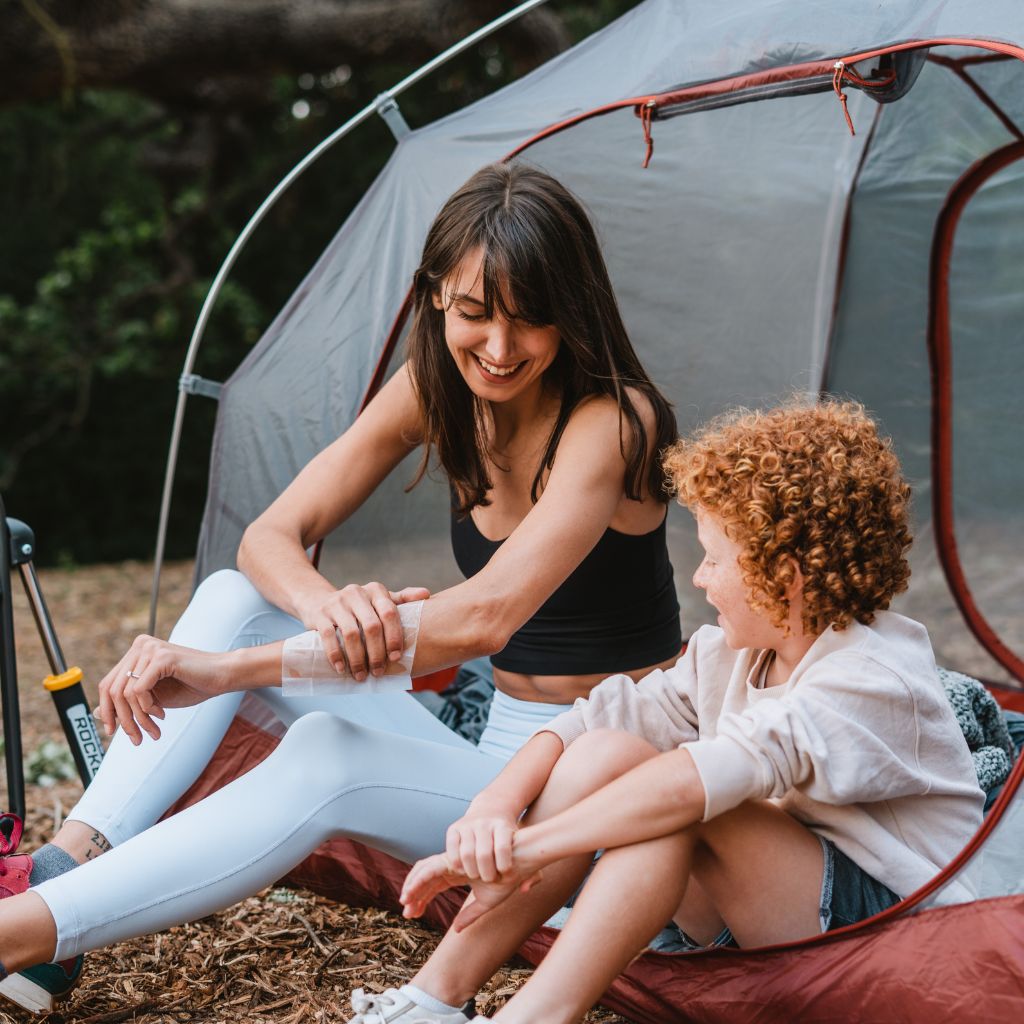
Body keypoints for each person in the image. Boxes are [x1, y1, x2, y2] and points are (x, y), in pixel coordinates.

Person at [0, 162, 683, 1014]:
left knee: (324, 745)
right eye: (475, 314)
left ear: (570, 313)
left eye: (531, 321)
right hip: (486, 767)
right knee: (238, 599)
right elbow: (268, 538)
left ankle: (23, 933)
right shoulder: (439, 388)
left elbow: (485, 617)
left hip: (595, 782)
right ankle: (68, 862)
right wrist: (331, 609)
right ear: (436, 294)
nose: (500, 350)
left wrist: (232, 673)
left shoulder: (613, 421)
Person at [379, 400, 985, 1024]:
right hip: (760, 911)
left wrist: (531, 848)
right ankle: (431, 1000)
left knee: (690, 803)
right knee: (611, 750)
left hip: (892, 939)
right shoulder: (724, 654)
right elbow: (593, 721)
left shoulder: (870, 677)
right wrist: (496, 807)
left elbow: (712, 776)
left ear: (784, 575)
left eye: (714, 559)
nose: (697, 578)